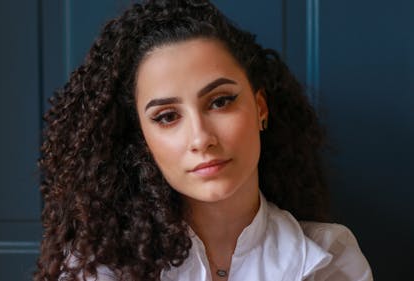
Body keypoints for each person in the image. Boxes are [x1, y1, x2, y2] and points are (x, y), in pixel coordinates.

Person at [34, 1, 373, 280]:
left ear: (260, 108)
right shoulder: (97, 268)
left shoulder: (329, 260)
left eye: (220, 101)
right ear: (142, 139)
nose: (201, 138)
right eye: (167, 117)